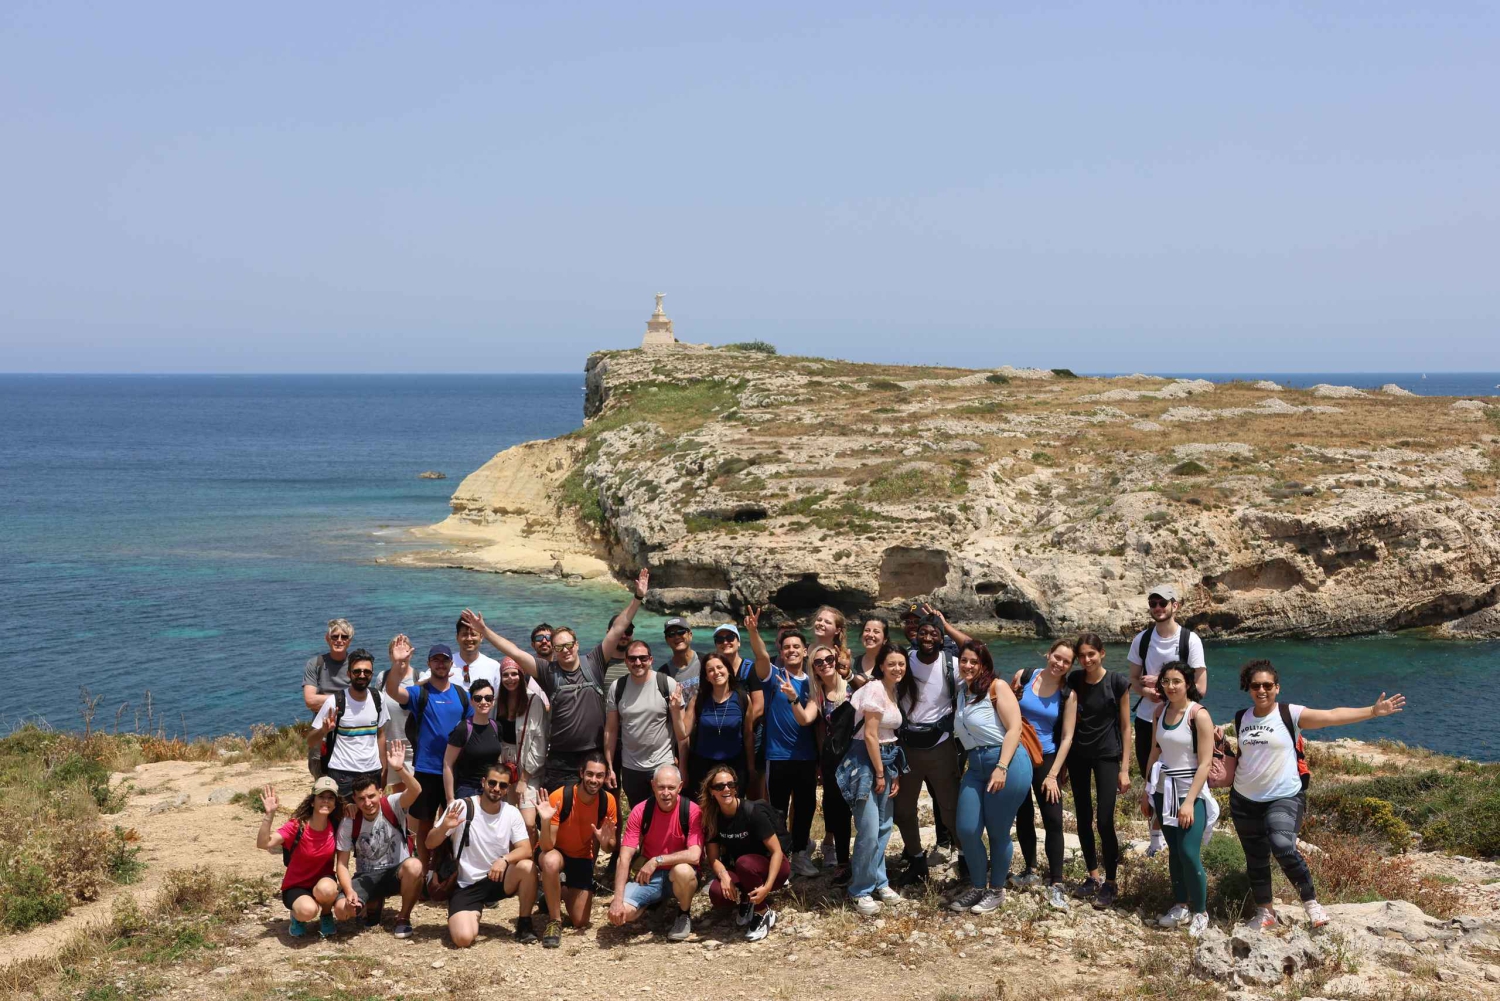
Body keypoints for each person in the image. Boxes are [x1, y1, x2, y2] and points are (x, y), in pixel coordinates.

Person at [1229, 660, 1406, 931]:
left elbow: (1332, 715)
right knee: (1255, 858)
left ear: (1277, 687)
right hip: (1244, 799)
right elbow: (1244, 757)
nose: (1261, 690)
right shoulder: (1242, 717)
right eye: (1255, 686)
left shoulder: (1290, 714)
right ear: (1248, 688)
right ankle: (1266, 912)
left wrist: (1372, 711)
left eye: (1267, 685)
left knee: (1282, 845)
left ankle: (1311, 903)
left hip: (1283, 796)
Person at [461, 568, 648, 790]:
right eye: (559, 646)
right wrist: (484, 630)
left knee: (599, 810)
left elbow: (618, 627)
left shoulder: (595, 661)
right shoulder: (548, 671)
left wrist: (637, 597)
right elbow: (515, 652)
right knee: (559, 812)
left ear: (576, 644)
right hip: (561, 757)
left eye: (569, 645)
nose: (565, 650)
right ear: (555, 649)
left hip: (593, 753)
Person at [947, 641, 1030, 915]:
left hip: (1006, 762)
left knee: (997, 831)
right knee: (967, 829)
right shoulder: (961, 692)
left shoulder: (998, 687)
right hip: (977, 765)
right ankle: (978, 886)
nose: (968, 666)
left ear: (984, 664)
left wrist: (1002, 766)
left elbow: (1014, 727)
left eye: (974, 661)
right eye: (964, 660)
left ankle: (995, 890)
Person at [1127, 583, 1207, 858]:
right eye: (1154, 603)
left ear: (1176, 606)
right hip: (1149, 719)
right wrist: (1147, 691)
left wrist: (1163, 689)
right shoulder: (1142, 640)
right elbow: (1134, 680)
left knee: (1184, 774)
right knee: (1153, 776)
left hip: (1182, 722)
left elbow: (1201, 686)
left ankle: (1186, 833)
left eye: (1163, 603)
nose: (1158, 608)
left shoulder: (1190, 640)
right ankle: (1155, 838)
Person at [1140, 661, 1215, 938]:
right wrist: (1147, 789)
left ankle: (1201, 912)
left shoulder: (1199, 715)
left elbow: (1205, 764)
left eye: (1176, 681)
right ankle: (1181, 905)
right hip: (1163, 789)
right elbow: (1154, 752)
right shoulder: (1160, 711)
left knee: (1188, 852)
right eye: (1166, 681)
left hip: (1189, 791)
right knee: (1173, 850)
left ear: (1188, 684)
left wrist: (1188, 802)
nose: (1170, 686)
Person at [426, 763, 539, 947]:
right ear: (483, 782)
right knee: (463, 939)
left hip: (497, 877)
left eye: (502, 786)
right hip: (466, 884)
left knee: (527, 867)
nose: (496, 789)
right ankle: (471, 913)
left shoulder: (511, 812)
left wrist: (504, 860)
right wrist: (445, 827)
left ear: (507, 788)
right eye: (492, 783)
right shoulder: (461, 806)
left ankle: (524, 923)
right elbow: (429, 843)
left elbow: (526, 849)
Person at [745, 610, 821, 879]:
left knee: (805, 807)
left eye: (796, 647)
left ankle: (800, 854)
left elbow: (810, 718)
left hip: (806, 757)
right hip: (777, 757)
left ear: (805, 651)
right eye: (787, 647)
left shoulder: (813, 683)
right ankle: (781, 858)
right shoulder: (773, 676)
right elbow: (761, 657)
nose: (791, 651)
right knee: (776, 811)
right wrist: (753, 631)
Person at [383, 635, 470, 868]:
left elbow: (473, 728)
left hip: (455, 770)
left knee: (456, 821)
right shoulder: (420, 693)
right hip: (426, 768)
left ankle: (450, 869)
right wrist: (399, 663)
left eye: (445, 660)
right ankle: (424, 869)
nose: (440, 664)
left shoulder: (463, 696)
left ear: (452, 664)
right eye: (435, 660)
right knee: (424, 823)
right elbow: (392, 690)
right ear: (429, 664)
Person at [892, 613, 964, 887]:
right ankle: (917, 860)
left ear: (942, 637)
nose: (928, 638)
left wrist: (946, 623)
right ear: (915, 635)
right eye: (923, 632)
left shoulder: (953, 664)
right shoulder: (904, 661)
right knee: (903, 809)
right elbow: (881, 681)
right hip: (907, 745)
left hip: (941, 746)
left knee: (950, 808)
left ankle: (966, 857)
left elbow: (979, 653)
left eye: (934, 633)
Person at [837, 643, 906, 916]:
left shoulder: (893, 689)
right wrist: (879, 772)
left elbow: (890, 736)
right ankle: (860, 889)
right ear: (882, 666)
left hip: (886, 760)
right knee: (868, 828)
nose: (897, 668)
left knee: (884, 826)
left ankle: (880, 880)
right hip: (866, 761)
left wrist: (893, 771)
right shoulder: (876, 689)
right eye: (892, 664)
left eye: (901, 664)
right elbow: (869, 735)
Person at [330, 740, 425, 938]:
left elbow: (416, 790)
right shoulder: (350, 821)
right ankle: (373, 902)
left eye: (372, 796)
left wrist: (400, 769)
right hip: (367, 877)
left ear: (381, 792)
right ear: (354, 800)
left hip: (396, 872)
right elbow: (342, 865)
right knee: (341, 912)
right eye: (361, 798)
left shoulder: (392, 805)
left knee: (415, 866)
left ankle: (403, 918)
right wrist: (348, 892)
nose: (368, 803)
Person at [1011, 639, 1079, 910]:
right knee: (1023, 813)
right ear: (1048, 654)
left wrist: (1053, 774)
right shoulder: (1024, 676)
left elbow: (1067, 737)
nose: (1059, 664)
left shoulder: (1068, 694)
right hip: (1017, 752)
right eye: (1057, 657)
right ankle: (1030, 869)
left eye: (1066, 662)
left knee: (1052, 817)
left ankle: (1057, 881)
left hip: (1046, 756)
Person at [604, 640, 684, 870]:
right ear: (626, 661)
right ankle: (643, 856)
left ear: (651, 659)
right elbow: (611, 729)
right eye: (632, 658)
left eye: (642, 658)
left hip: (663, 763)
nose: (637, 662)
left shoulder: (665, 683)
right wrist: (610, 766)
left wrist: (683, 765)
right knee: (639, 814)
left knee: (667, 814)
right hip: (631, 765)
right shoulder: (617, 687)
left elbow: (681, 732)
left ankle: (670, 861)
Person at [1066, 633, 1132, 908]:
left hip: (1107, 755)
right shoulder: (1074, 680)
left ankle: (1111, 883)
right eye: (1081, 656)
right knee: (1083, 816)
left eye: (1091, 654)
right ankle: (1093, 876)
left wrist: (1125, 768)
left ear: (1102, 653)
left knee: (1105, 819)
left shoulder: (1117, 682)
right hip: (1078, 755)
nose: (1086, 659)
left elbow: (1127, 726)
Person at [608, 765, 704, 942]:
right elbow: (624, 857)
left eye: (671, 787)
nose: (665, 793)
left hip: (678, 873)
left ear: (680, 787)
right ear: (653, 786)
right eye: (661, 787)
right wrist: (617, 899)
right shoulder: (641, 810)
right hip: (650, 876)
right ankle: (655, 902)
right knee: (623, 914)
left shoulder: (691, 811)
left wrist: (656, 860)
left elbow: (694, 855)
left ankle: (683, 914)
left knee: (683, 871)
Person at [536, 752, 617, 948]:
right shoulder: (560, 796)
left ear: (606, 777)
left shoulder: (608, 801)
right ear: (581, 773)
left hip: (582, 856)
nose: (594, 780)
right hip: (556, 852)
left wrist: (606, 842)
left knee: (580, 921)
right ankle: (554, 921)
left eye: (599, 776)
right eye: (590, 774)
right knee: (550, 861)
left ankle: (554, 891)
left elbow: (609, 847)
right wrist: (545, 821)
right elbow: (547, 847)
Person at [702, 763, 788, 941]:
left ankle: (763, 912)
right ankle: (748, 899)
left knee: (745, 863)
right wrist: (725, 876)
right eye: (719, 786)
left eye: (730, 785)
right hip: (742, 869)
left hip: (773, 868)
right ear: (712, 791)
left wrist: (768, 886)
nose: (726, 789)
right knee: (718, 894)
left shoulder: (752, 812)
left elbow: (777, 851)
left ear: (735, 788)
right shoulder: (712, 817)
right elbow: (713, 858)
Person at [258, 777, 341, 939]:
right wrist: (269, 815)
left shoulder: (336, 825)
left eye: (330, 798)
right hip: (296, 885)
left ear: (335, 803)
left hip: (322, 882)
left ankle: (326, 915)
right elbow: (263, 843)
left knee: (328, 889)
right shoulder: (297, 826)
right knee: (308, 911)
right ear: (312, 801)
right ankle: (297, 917)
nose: (326, 801)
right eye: (321, 797)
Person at [307, 648, 390, 797]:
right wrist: (323, 731)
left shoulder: (378, 698)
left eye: (367, 672)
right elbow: (310, 740)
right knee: (343, 819)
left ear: (372, 674)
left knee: (370, 818)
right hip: (342, 774)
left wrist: (384, 769)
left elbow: (381, 735)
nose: (362, 675)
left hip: (372, 772)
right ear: (348, 674)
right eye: (357, 671)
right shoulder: (335, 701)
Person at [678, 651, 759, 799]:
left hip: (735, 765)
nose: (716, 672)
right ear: (706, 677)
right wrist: (675, 709)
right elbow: (683, 733)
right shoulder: (698, 700)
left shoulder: (742, 698)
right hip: (703, 766)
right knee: (704, 812)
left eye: (719, 667)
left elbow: (748, 735)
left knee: (732, 809)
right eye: (710, 670)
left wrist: (751, 768)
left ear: (728, 670)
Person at [810, 644, 853, 879]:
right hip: (831, 760)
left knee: (863, 812)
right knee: (837, 812)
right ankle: (843, 862)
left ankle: (870, 864)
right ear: (814, 669)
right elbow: (819, 731)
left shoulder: (853, 688)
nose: (825, 664)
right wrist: (820, 762)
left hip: (856, 756)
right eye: (819, 662)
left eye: (829, 659)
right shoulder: (817, 695)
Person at [495, 656, 549, 833]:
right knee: (505, 819)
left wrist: (524, 779)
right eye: (506, 675)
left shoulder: (534, 702)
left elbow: (540, 742)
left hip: (527, 765)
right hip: (504, 765)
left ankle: (529, 858)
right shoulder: (497, 702)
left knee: (528, 822)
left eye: (514, 674)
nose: (510, 679)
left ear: (521, 674)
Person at [302, 618, 354, 777]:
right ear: (327, 638)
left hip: (349, 733)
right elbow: (310, 701)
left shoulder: (356, 665)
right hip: (321, 733)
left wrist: (323, 700)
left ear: (349, 641)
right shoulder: (315, 664)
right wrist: (345, 699)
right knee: (322, 782)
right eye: (335, 636)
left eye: (344, 637)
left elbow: (362, 698)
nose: (339, 640)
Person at [444, 678, 503, 802]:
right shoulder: (463, 729)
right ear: (471, 701)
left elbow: (497, 759)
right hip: (468, 790)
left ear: (493, 701)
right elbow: (448, 764)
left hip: (492, 789)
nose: (483, 702)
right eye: (478, 698)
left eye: (488, 698)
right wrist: (450, 798)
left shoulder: (496, 726)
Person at [453, 614, 501, 692]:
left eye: (473, 634)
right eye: (464, 634)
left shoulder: (493, 667)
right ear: (457, 637)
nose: (469, 638)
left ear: (481, 637)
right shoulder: (446, 665)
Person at [661, 617, 702, 706]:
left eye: (681, 632)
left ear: (690, 635)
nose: (676, 637)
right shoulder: (663, 674)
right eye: (671, 634)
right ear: (667, 640)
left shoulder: (705, 662)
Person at [851, 617, 889, 689]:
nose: (870, 635)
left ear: (885, 639)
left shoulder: (891, 664)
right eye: (867, 630)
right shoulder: (852, 663)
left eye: (876, 631)